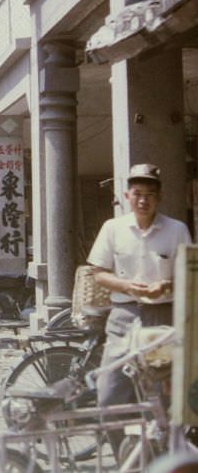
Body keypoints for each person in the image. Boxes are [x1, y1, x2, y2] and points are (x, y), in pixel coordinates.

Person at [87, 163, 192, 459]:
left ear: (160, 197)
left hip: (161, 322)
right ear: (126, 196)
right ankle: (126, 458)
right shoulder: (113, 228)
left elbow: (189, 275)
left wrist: (167, 286)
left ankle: (159, 461)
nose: (143, 200)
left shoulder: (177, 230)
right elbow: (98, 272)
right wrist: (127, 286)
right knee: (108, 396)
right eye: (137, 193)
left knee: (160, 403)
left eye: (150, 194)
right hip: (122, 320)